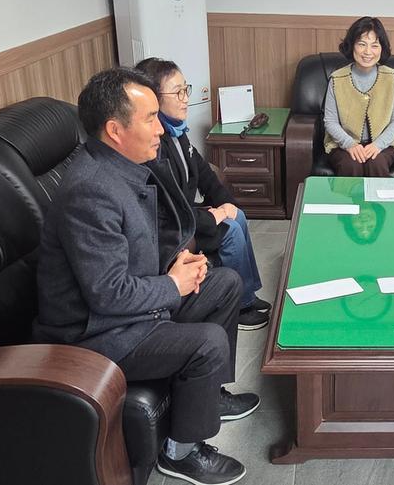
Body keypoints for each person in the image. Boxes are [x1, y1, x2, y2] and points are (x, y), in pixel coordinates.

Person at [33, 67, 259, 485]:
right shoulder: (91, 191)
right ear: (115, 130)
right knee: (207, 342)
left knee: (225, 283)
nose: (160, 129)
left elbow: (140, 244)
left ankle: (212, 395)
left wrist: (178, 262)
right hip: (96, 334)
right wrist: (172, 284)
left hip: (128, 310)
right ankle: (181, 452)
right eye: (151, 118)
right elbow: (108, 294)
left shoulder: (126, 166)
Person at [136, 57, 270, 331]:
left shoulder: (177, 131)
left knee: (237, 215)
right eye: (177, 92)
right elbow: (169, 209)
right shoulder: (154, 145)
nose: (186, 98)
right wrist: (214, 217)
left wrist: (227, 203)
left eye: (186, 89)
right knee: (231, 231)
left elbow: (205, 174)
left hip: (186, 212)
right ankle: (240, 308)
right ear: (154, 98)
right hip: (173, 224)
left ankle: (248, 293)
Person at [323, 16, 394, 177]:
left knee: (377, 163)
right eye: (362, 44)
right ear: (352, 46)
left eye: (374, 45)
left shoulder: (392, 79)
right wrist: (349, 144)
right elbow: (330, 121)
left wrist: (377, 145)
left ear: (381, 49)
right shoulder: (337, 79)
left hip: (382, 145)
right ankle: (347, 196)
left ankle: (378, 197)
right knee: (351, 164)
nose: (368, 52)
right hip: (342, 146)